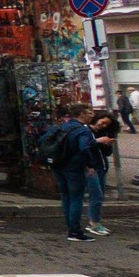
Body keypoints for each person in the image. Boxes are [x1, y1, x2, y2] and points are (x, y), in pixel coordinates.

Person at [40, 103, 101, 242]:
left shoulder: (62, 126)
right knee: (76, 198)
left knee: (65, 196)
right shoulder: (82, 131)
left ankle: (70, 228)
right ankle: (74, 231)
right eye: (88, 113)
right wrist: (90, 164)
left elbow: (42, 140)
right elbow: (84, 148)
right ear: (81, 114)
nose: (91, 115)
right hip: (74, 168)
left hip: (57, 165)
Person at [84, 113, 118, 237]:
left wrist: (107, 144)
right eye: (102, 122)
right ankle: (94, 223)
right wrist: (97, 141)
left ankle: (95, 222)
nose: (103, 125)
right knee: (96, 195)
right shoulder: (86, 130)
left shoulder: (104, 133)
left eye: (106, 124)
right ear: (97, 119)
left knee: (100, 195)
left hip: (101, 166)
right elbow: (83, 146)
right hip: (89, 167)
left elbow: (106, 153)